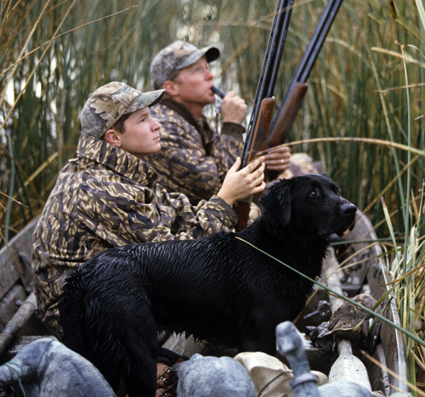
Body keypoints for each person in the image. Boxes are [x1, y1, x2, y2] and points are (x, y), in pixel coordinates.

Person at [32, 81, 266, 337]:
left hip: (115, 300)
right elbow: (180, 264)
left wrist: (252, 212)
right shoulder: (102, 190)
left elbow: (181, 214)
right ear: (114, 138)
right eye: (143, 120)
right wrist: (225, 198)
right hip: (87, 322)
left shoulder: (121, 171)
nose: (157, 125)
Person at [144, 40, 292, 205]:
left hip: (207, 220)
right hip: (191, 226)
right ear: (171, 88)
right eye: (197, 70)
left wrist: (268, 167)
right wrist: (231, 126)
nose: (210, 75)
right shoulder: (161, 127)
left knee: (298, 166)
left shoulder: (194, 122)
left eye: (207, 67)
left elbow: (228, 167)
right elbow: (220, 187)